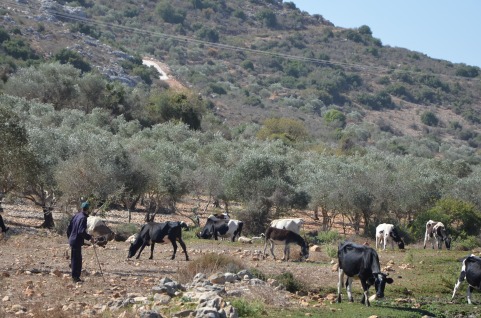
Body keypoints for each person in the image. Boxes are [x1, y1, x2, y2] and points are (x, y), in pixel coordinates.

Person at [67, 201, 93, 283]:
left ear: (82, 208)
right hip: (76, 241)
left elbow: (69, 228)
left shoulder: (76, 216)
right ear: (88, 209)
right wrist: (90, 238)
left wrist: (70, 237)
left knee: (75, 258)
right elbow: (81, 231)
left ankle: (75, 276)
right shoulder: (83, 218)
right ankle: (75, 278)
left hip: (72, 239)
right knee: (77, 259)